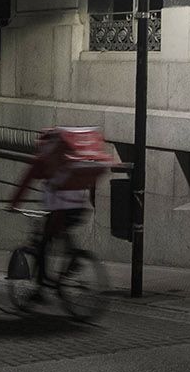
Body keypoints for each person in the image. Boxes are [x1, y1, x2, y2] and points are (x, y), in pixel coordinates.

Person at [9, 127, 114, 297]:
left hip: (59, 211)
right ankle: (73, 258)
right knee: (62, 233)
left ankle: (41, 287)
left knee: (43, 245)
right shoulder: (69, 158)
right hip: (79, 208)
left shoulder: (43, 160)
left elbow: (24, 184)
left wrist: (13, 205)